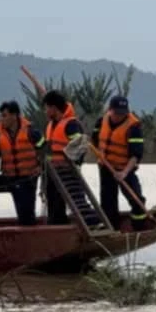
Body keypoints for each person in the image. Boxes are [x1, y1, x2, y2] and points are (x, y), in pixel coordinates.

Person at [91, 95, 147, 230]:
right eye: (117, 113)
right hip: (106, 167)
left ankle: (139, 228)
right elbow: (94, 141)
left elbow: (135, 155)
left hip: (125, 168)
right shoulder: (101, 122)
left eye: (123, 113)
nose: (120, 116)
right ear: (110, 110)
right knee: (108, 202)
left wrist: (124, 173)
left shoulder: (133, 127)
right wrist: (100, 156)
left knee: (137, 200)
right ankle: (111, 228)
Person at [42, 89, 86, 225]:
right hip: (52, 173)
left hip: (67, 173)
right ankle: (56, 227)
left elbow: (80, 147)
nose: (45, 111)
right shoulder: (51, 125)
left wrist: (74, 163)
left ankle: (87, 224)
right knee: (53, 204)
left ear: (54, 108)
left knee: (76, 201)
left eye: (47, 108)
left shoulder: (71, 124)